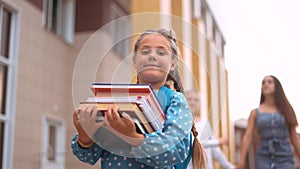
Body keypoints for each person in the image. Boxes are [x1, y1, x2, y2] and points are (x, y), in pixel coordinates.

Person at [71, 28, 206, 169]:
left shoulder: (175, 100)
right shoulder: (115, 100)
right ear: (135, 61)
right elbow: (89, 156)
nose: (152, 56)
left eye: (161, 52)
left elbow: (176, 151)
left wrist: (132, 136)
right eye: (145, 51)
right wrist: (85, 138)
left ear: (172, 64)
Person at [236, 75, 300, 169]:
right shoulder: (255, 113)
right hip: (263, 157)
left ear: (277, 86)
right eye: (263, 82)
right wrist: (241, 162)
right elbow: (247, 137)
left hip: (285, 158)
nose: (266, 84)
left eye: (270, 82)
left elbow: (294, 138)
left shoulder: (287, 110)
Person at [185, 90, 235, 169]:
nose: (192, 102)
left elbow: (215, 150)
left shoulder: (205, 122)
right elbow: (194, 143)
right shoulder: (181, 123)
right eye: (189, 99)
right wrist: (218, 141)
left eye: (196, 100)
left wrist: (230, 167)